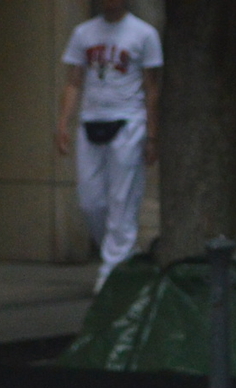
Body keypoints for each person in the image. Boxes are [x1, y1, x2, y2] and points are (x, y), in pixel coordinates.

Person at [55, 0, 163, 290]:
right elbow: (74, 81)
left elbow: (152, 87)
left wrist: (152, 135)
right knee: (91, 200)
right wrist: (64, 121)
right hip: (92, 119)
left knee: (122, 198)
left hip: (129, 120)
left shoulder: (144, 34)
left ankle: (112, 271)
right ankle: (122, 254)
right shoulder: (83, 33)